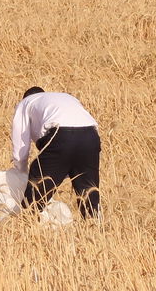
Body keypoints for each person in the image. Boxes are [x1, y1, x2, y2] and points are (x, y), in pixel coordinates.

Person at [11, 86, 101, 219]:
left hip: (61, 135)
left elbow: (20, 142)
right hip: (91, 136)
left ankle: (28, 226)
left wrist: (21, 172)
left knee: (35, 193)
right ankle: (94, 227)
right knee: (88, 191)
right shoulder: (67, 97)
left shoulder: (26, 102)